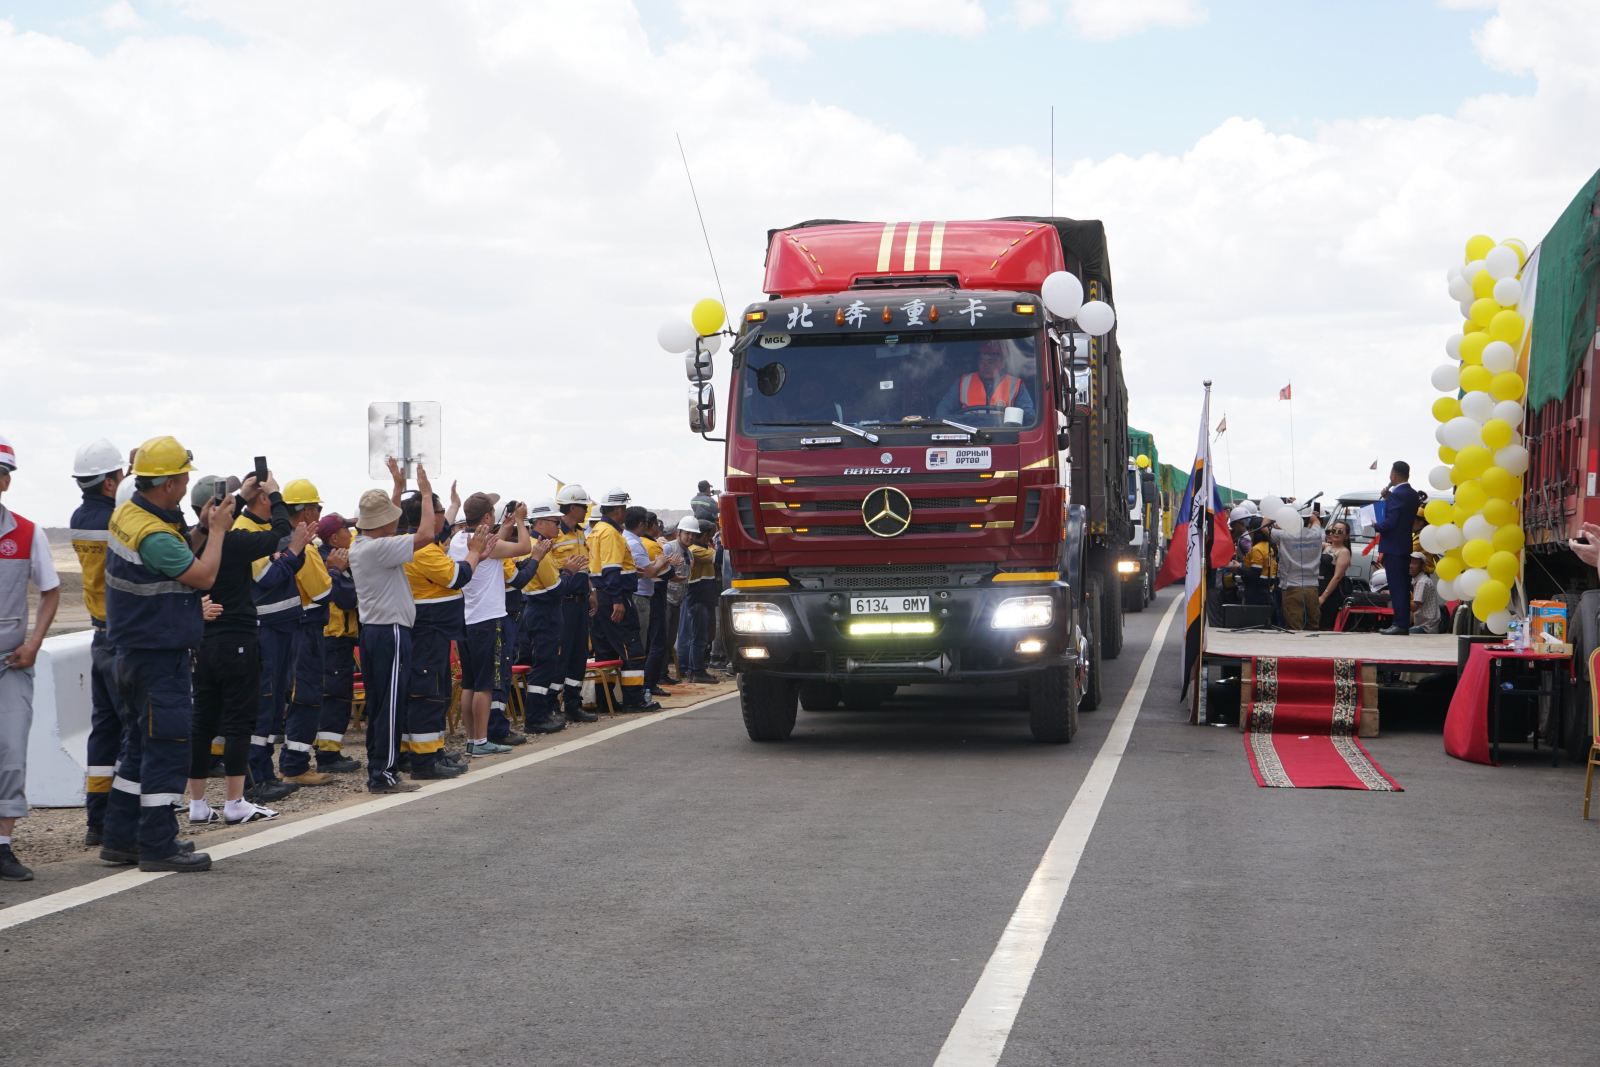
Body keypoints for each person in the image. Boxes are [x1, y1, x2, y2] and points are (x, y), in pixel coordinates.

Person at [102, 435, 226, 872]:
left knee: (137, 747)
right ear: (170, 483)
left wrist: (201, 530)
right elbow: (205, 575)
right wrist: (219, 533)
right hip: (160, 658)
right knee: (168, 748)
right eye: (184, 476)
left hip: (133, 654)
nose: (188, 481)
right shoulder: (154, 533)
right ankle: (157, 845)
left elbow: (170, 557)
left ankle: (120, 839)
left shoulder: (129, 514)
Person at [185, 473, 300, 828]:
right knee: (239, 724)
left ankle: (198, 805)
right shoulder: (233, 543)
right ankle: (235, 802)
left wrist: (243, 495)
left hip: (203, 643)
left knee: (203, 724)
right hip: (238, 640)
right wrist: (273, 494)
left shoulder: (189, 543)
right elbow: (281, 530)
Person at [347, 466, 440, 793]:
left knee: (379, 703)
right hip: (391, 631)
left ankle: (380, 767)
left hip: (373, 631)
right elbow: (425, 535)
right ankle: (383, 774)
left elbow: (386, 526)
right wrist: (425, 493)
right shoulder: (378, 548)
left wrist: (397, 487)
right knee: (391, 704)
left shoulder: (362, 545)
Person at [0, 434, 61, 881]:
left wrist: (34, 642)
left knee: (11, 752)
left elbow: (51, 590)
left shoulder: (26, 533)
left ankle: (2, 846)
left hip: (9, 664)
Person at [242, 471, 326, 792]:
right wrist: (295, 550)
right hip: (268, 631)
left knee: (275, 705)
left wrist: (295, 549)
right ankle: (257, 778)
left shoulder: (268, 533)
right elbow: (269, 579)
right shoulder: (248, 530)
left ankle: (264, 774)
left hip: (284, 628)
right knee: (264, 706)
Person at [399, 482, 487, 777]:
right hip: (427, 630)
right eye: (440, 512)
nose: (443, 518)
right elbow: (456, 577)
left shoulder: (420, 544)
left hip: (431, 630)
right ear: (429, 515)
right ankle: (424, 762)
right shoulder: (423, 550)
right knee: (427, 694)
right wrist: (474, 553)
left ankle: (430, 751)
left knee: (435, 692)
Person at [68, 437, 125, 847]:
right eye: (121, 475)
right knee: (134, 730)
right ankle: (123, 823)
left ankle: (97, 819)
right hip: (125, 636)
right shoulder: (115, 522)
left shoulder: (79, 517)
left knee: (104, 730)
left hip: (99, 634)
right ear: (108, 483)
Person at [451, 493, 528, 755]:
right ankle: (481, 741)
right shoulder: (489, 546)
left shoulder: (458, 540)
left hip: (467, 620)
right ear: (486, 517)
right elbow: (524, 547)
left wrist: (505, 526)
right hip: (489, 619)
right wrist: (519, 521)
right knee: (486, 685)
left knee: (470, 684)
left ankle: (473, 739)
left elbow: (493, 547)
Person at [278, 479, 338, 786]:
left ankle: (292, 761)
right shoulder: (305, 547)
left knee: (295, 695)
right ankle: (295, 765)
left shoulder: (278, 539)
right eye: (317, 508)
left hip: (287, 628)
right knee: (307, 696)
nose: (318, 513)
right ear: (305, 511)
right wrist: (336, 571)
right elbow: (323, 591)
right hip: (307, 629)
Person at [511, 499, 580, 733]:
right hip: (544, 611)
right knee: (544, 665)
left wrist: (562, 572)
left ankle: (539, 714)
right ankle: (536, 718)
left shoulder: (532, 544)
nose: (559, 527)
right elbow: (556, 589)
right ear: (540, 523)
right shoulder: (536, 547)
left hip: (537, 610)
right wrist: (569, 573)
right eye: (555, 522)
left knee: (543, 664)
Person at [588, 489, 658, 710]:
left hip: (601, 596)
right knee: (632, 648)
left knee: (605, 650)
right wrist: (618, 599)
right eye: (625, 508)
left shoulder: (597, 530)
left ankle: (605, 701)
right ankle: (634, 699)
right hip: (613, 597)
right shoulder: (610, 533)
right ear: (619, 510)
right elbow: (610, 570)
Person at [314, 513, 362, 774]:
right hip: (333, 638)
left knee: (335, 695)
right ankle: (328, 755)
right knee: (335, 697)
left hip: (335, 639)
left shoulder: (332, 557)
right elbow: (346, 598)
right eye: (347, 530)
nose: (351, 534)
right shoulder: (329, 560)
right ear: (334, 537)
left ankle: (327, 751)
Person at [552, 485, 598, 723]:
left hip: (580, 603)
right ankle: (552, 706)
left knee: (579, 654)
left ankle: (572, 704)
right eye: (584, 506)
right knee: (562, 654)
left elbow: (584, 566)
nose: (587, 511)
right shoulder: (554, 534)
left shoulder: (580, 533)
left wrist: (591, 589)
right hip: (563, 603)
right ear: (573, 507)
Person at [934, 340, 1036, 423]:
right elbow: (944, 407)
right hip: (968, 435)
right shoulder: (963, 382)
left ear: (1002, 363)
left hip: (1003, 436)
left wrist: (1028, 419)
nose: (985, 366)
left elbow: (1027, 413)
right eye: (981, 361)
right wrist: (942, 425)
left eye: (990, 361)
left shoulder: (1016, 385)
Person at [1374, 462, 1420, 634]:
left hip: (1393, 546)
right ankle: (1401, 623)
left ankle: (1400, 624)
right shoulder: (1412, 494)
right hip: (1404, 544)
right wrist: (1388, 498)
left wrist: (1376, 525)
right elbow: (1401, 516)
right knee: (1402, 585)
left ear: (1393, 475)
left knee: (1396, 586)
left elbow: (1391, 523)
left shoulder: (1396, 495)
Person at [675, 517, 719, 684]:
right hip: (698, 599)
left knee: (699, 637)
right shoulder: (696, 550)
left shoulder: (701, 548)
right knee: (697, 638)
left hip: (703, 599)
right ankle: (696, 671)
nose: (690, 538)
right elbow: (719, 556)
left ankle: (694, 669)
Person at [1270, 508, 1325, 630]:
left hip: (1292, 587)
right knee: (1313, 627)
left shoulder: (1283, 535)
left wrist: (1276, 512)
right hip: (1312, 588)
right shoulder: (1317, 534)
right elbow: (1316, 521)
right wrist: (1309, 514)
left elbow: (1264, 526)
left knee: (1294, 627)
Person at [1318, 520, 1355, 630]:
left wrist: (1323, 597)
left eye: (1340, 531)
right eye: (1333, 530)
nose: (1336, 533)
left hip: (1330, 592)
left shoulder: (1344, 552)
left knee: (1325, 625)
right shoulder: (1325, 546)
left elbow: (1337, 577)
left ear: (1347, 535)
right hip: (1318, 587)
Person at [1408, 552, 1442, 634]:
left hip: (1426, 628)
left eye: (1414, 563)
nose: (1410, 566)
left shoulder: (1422, 582)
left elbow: (1415, 607)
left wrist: (1398, 598)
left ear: (1423, 566)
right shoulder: (1417, 580)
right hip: (1421, 625)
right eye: (1409, 562)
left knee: (1400, 633)